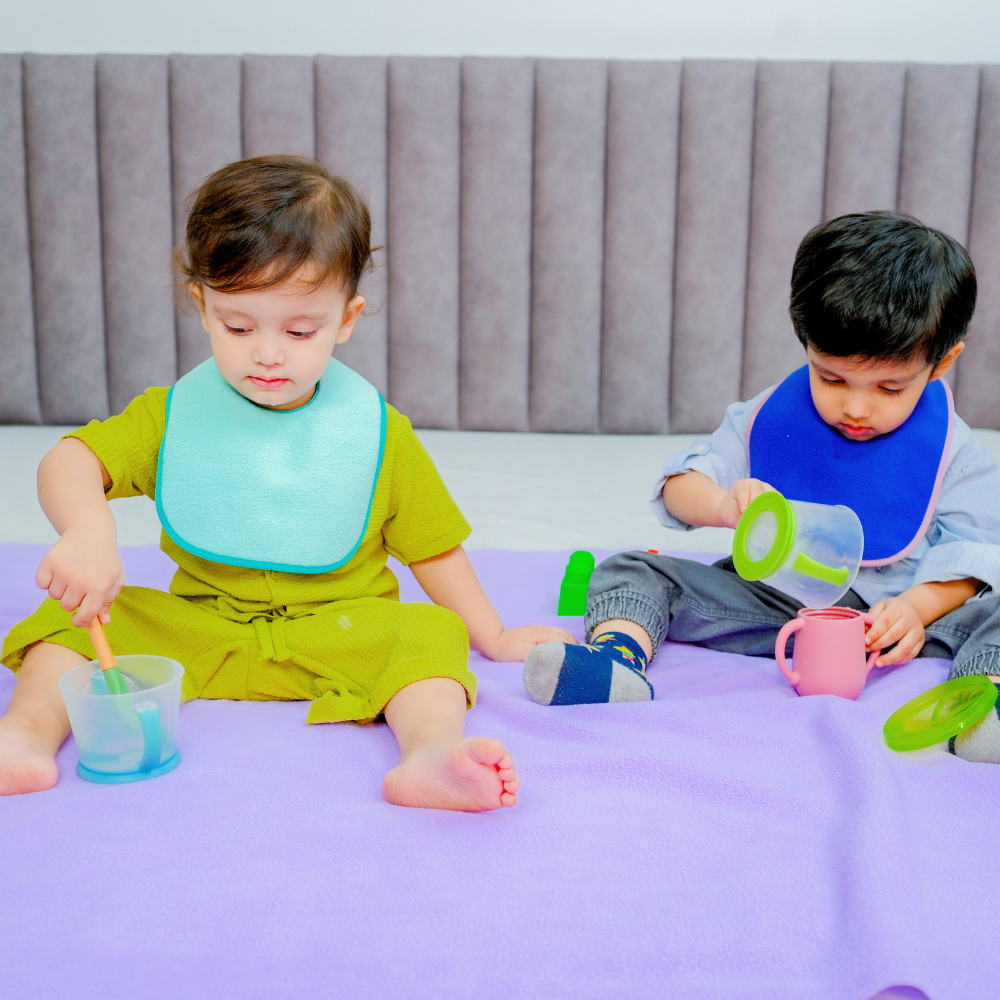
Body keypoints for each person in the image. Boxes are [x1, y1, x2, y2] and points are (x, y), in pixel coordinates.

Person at [0, 155, 574, 805]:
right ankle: (22, 736)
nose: (267, 353)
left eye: (301, 330)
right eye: (237, 325)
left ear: (347, 319)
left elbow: (432, 546)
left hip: (343, 633)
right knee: (71, 619)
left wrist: (491, 635)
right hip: (200, 631)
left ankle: (430, 751)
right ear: (202, 304)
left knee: (428, 635)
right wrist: (86, 529)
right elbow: (72, 458)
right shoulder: (172, 416)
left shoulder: (379, 434)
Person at [524, 212, 1000, 762]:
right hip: (786, 607)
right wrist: (722, 505)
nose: (856, 406)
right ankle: (614, 660)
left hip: (909, 619)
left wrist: (917, 608)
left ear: (943, 361)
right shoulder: (770, 416)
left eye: (890, 387)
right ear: (806, 343)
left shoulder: (956, 450)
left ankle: (982, 704)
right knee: (632, 569)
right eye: (831, 377)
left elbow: (974, 555)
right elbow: (681, 485)